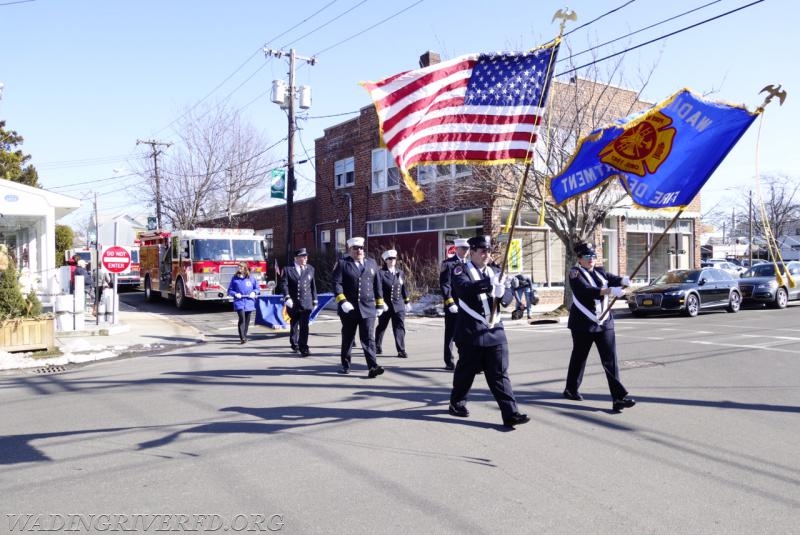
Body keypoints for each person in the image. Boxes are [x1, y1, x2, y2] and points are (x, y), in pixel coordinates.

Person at [448, 235, 530, 428]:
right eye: (482, 251)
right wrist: (489, 285)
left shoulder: (495, 271)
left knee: (499, 374)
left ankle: (511, 413)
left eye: (488, 251)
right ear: (473, 251)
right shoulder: (461, 270)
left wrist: (503, 293)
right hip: (471, 332)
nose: (486, 254)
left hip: (495, 331)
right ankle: (457, 402)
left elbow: (507, 297)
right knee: (466, 372)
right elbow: (463, 289)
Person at [563, 242, 636, 412]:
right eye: (587, 257)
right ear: (579, 259)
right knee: (579, 357)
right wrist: (611, 291)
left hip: (604, 322)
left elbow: (613, 278)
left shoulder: (600, 272)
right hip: (583, 324)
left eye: (593, 256)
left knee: (610, 360)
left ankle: (619, 398)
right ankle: (571, 389)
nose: (591, 260)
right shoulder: (574, 274)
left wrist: (623, 280)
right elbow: (586, 290)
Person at [332, 236, 386, 377]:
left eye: (361, 248)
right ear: (350, 250)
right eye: (356, 248)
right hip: (350, 308)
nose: (359, 251)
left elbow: (377, 284)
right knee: (348, 337)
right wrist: (342, 301)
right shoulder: (343, 263)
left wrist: (379, 304)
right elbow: (336, 284)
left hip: (368, 307)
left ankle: (373, 366)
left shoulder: (372, 263)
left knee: (368, 338)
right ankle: (346, 364)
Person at [280, 247, 317, 356]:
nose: (305, 258)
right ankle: (294, 343)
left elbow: (313, 285)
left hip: (306, 302)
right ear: (296, 258)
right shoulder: (288, 269)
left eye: (306, 256)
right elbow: (284, 284)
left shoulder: (310, 268)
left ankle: (304, 347)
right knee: (294, 322)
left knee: (304, 325)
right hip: (293, 302)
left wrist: (315, 299)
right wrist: (287, 297)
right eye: (303, 256)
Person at [439, 237, 470, 370]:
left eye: (467, 249)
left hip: (467, 306)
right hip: (453, 305)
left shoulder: (469, 264)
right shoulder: (448, 264)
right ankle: (449, 361)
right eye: (463, 249)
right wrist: (450, 302)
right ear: (456, 249)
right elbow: (445, 285)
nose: (465, 251)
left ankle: (467, 360)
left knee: (467, 334)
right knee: (451, 334)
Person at [375, 249, 411, 358]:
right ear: (385, 261)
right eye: (389, 259)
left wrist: (407, 301)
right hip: (386, 306)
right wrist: (381, 303)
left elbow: (403, 287)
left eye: (394, 258)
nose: (392, 261)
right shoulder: (380, 273)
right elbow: (378, 289)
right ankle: (377, 346)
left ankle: (401, 350)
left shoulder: (400, 272)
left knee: (399, 327)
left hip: (398, 305)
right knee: (382, 326)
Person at [227, 262, 260, 344]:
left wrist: (254, 292)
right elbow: (230, 290)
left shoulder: (251, 278)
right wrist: (235, 294)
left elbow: (257, 288)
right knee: (242, 318)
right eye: (238, 267)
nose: (239, 269)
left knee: (247, 320)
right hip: (239, 301)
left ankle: (244, 335)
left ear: (245, 268)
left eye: (241, 267)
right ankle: (242, 337)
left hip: (249, 301)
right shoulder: (235, 278)